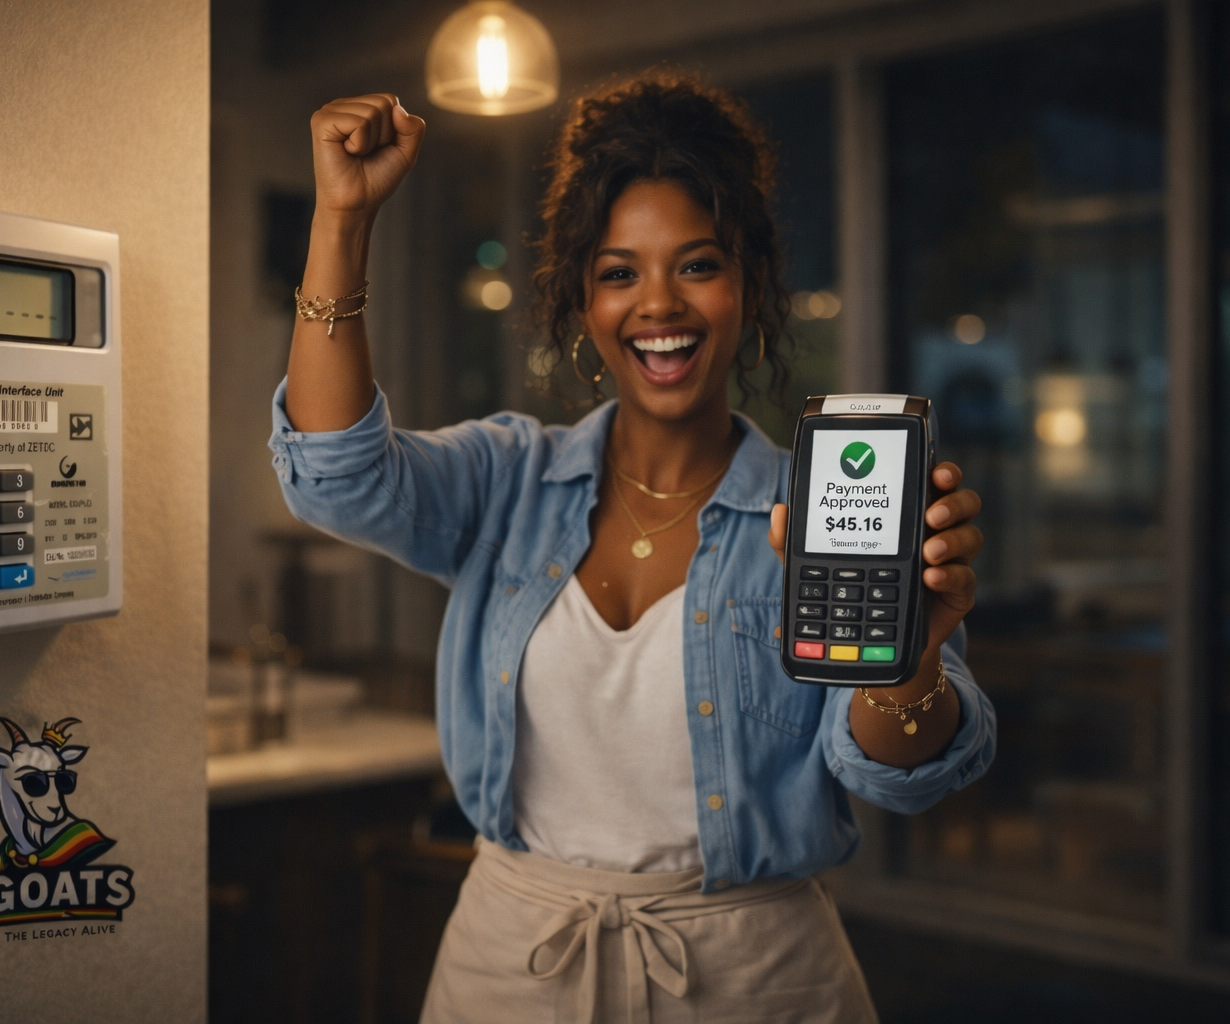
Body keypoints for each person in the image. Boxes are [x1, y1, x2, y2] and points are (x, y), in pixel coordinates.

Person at [271, 71, 996, 1024]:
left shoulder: (821, 513)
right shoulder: (507, 480)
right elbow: (334, 476)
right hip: (511, 970)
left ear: (749, 285)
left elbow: (900, 778)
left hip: (755, 981)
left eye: (697, 265)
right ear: (582, 301)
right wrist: (342, 220)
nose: (659, 304)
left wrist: (910, 658)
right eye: (619, 273)